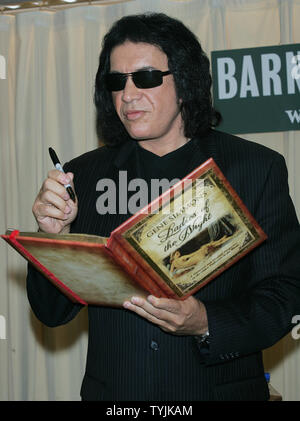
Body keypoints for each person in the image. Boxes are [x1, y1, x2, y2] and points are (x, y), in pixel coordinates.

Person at [26, 12, 300, 401]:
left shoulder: (254, 168)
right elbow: (51, 314)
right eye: (116, 81)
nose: (129, 94)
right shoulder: (82, 176)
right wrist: (54, 239)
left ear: (185, 83)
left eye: (147, 77)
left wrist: (207, 322)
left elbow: (286, 295)